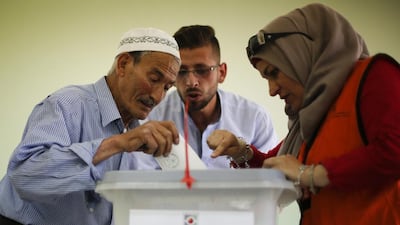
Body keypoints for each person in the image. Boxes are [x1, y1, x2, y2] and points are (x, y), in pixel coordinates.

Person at [207, 3, 400, 225]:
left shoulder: (373, 75)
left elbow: (393, 151)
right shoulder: (310, 116)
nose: (272, 90)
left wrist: (312, 174)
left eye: (274, 73)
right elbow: (278, 166)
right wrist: (242, 151)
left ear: (301, 56)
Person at [0, 27, 182, 225]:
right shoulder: (67, 105)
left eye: (166, 87)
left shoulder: (143, 131)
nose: (158, 96)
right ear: (123, 64)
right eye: (154, 79)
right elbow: (25, 177)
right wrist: (118, 143)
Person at [145, 25, 278, 168]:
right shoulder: (153, 116)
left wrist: (241, 152)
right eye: (181, 72)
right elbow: (142, 179)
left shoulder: (255, 118)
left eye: (202, 70)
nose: (191, 82)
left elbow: (268, 177)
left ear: (221, 73)